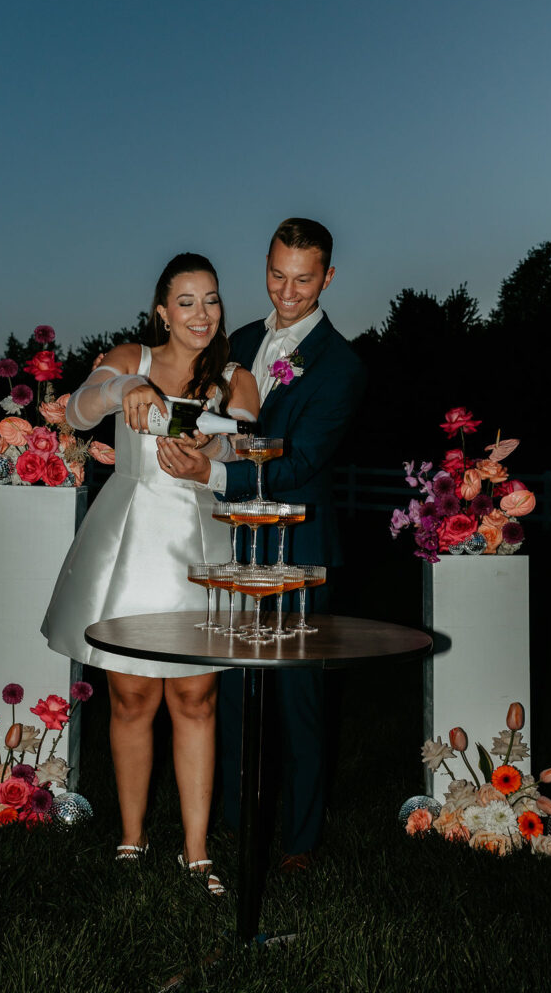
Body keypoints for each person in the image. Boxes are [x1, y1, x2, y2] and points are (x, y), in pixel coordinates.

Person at [42, 253, 260, 893]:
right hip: (130, 540)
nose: (202, 313)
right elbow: (77, 410)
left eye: (212, 299)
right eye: (186, 301)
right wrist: (124, 390)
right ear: (162, 310)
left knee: (196, 697)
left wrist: (211, 451)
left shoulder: (237, 379)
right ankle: (131, 840)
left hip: (200, 543)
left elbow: (248, 455)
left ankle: (197, 853)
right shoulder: (130, 357)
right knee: (131, 695)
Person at [157, 218, 366, 873]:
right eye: (277, 274)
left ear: (327, 278)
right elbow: (193, 410)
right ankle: (231, 821)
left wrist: (211, 472)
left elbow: (297, 462)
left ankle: (299, 841)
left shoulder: (341, 365)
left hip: (299, 551)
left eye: (303, 279)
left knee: (297, 699)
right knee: (233, 689)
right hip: (230, 547)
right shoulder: (239, 341)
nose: (287, 291)